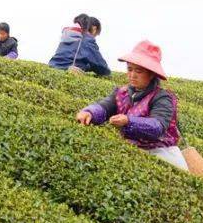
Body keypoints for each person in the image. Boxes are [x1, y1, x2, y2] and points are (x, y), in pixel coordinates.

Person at [74, 40, 187, 171]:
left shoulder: (162, 97)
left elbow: (157, 126)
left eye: (138, 71)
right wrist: (89, 112)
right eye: (129, 69)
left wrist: (128, 121)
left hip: (162, 152)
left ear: (151, 74)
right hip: (134, 151)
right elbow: (105, 106)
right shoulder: (122, 93)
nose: (132, 75)